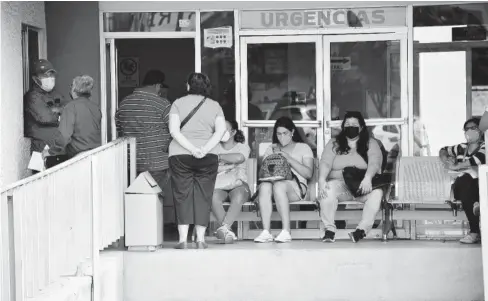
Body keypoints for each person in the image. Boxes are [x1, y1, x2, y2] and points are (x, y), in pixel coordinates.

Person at [168, 72, 226, 249]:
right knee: (204, 196)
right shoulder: (215, 106)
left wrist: (191, 149)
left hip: (180, 155)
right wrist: (204, 149)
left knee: (182, 195)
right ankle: (200, 239)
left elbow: (174, 131)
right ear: (207, 87)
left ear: (188, 86)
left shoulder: (178, 103)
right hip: (207, 157)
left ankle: (183, 240)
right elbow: (220, 132)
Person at [318, 111, 383, 243]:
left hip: (362, 184)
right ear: (343, 126)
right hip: (340, 184)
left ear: (362, 127)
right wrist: (321, 179)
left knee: (377, 194)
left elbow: (375, 162)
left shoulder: (370, 143)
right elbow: (325, 162)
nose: (350, 127)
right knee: (327, 190)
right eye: (347, 124)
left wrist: (368, 178)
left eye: (354, 124)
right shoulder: (334, 143)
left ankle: (361, 231)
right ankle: (329, 230)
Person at [254, 117, 314, 243]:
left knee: (279, 185)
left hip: (296, 187)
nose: (282, 136)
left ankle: (286, 231)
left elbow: (308, 173)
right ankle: (266, 232)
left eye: (285, 133)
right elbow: (264, 173)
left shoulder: (303, 147)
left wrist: (288, 158)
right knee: (265, 186)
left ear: (292, 132)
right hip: (271, 186)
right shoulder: (271, 148)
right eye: (279, 133)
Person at [115, 70, 172, 199]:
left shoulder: (124, 103)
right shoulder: (162, 103)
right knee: (153, 200)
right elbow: (175, 130)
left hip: (131, 161)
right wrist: (167, 145)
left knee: (135, 199)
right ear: (158, 85)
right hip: (156, 161)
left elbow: (119, 128)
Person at [439, 117, 485, 244]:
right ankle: (477, 209)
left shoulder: (485, 146)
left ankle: (475, 231)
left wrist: (456, 166)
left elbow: (477, 160)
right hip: (462, 187)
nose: (469, 131)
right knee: (465, 182)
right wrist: (445, 159)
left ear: (481, 130)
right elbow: (443, 150)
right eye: (466, 129)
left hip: (479, 186)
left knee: (468, 187)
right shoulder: (461, 147)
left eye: (473, 128)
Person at [212, 120, 251, 243]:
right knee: (212, 197)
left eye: (224, 130)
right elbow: (208, 166)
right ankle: (227, 231)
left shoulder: (242, 147)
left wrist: (218, 157)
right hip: (219, 186)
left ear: (233, 132)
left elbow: (239, 158)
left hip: (239, 185)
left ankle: (224, 229)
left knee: (238, 196)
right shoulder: (213, 147)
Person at [44, 75, 101, 159]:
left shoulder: (70, 107)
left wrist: (50, 152)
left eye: (71, 86)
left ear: (74, 89)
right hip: (96, 154)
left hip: (79, 158)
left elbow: (64, 137)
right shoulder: (95, 107)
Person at [24, 59, 67, 164]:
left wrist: (55, 111)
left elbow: (69, 110)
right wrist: (61, 115)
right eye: (45, 76)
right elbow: (45, 117)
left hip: (59, 149)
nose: (50, 79)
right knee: (42, 178)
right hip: (41, 149)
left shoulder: (56, 94)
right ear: (35, 79)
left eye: (52, 75)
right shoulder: (32, 97)